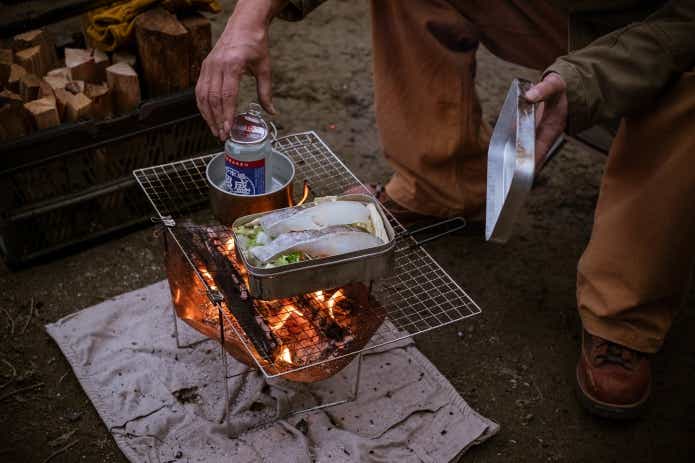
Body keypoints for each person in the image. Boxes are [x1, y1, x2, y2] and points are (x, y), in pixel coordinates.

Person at [195, 0, 695, 419]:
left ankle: (623, 316)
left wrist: (584, 79)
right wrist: (249, 17)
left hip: (665, 36)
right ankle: (440, 187)